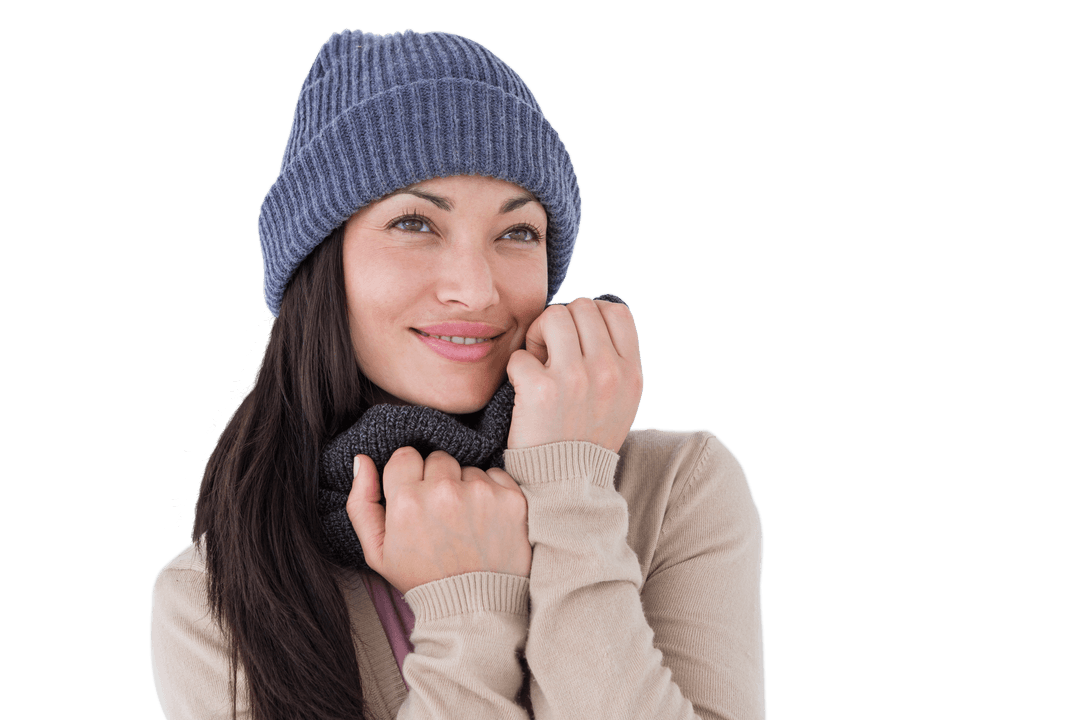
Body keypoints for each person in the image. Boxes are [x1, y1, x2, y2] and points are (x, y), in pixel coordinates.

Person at [149, 27, 767, 720]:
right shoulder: (216, 600)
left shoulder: (673, 489)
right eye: (415, 224)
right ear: (322, 263)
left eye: (516, 233)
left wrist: (569, 488)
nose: (475, 290)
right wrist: (469, 616)